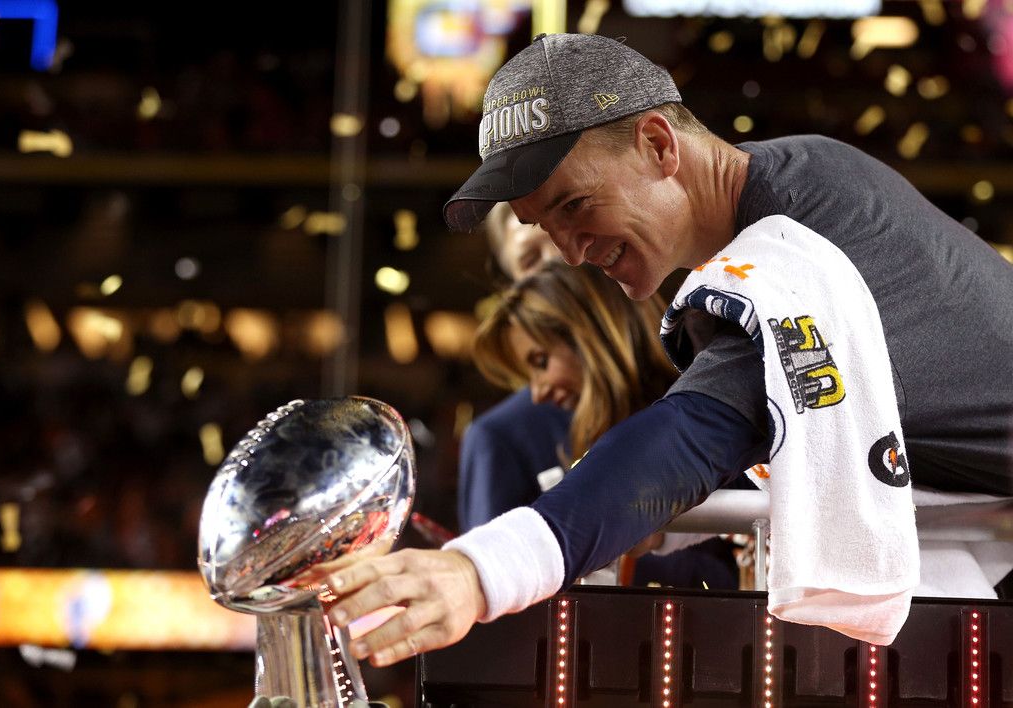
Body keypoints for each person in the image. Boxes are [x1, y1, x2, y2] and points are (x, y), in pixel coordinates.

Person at [324, 33, 1013, 667]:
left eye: (574, 205)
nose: (570, 253)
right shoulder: (806, 171)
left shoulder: (801, 247)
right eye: (543, 227)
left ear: (658, 144)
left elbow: (698, 431)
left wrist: (477, 572)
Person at [473, 260, 740, 588]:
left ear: (592, 336)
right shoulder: (593, 441)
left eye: (541, 362)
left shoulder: (706, 421)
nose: (538, 393)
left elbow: (728, 576)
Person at [457, 202, 568, 533]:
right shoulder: (500, 438)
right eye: (531, 259)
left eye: (565, 239)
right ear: (514, 288)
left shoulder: (684, 389)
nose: (559, 262)